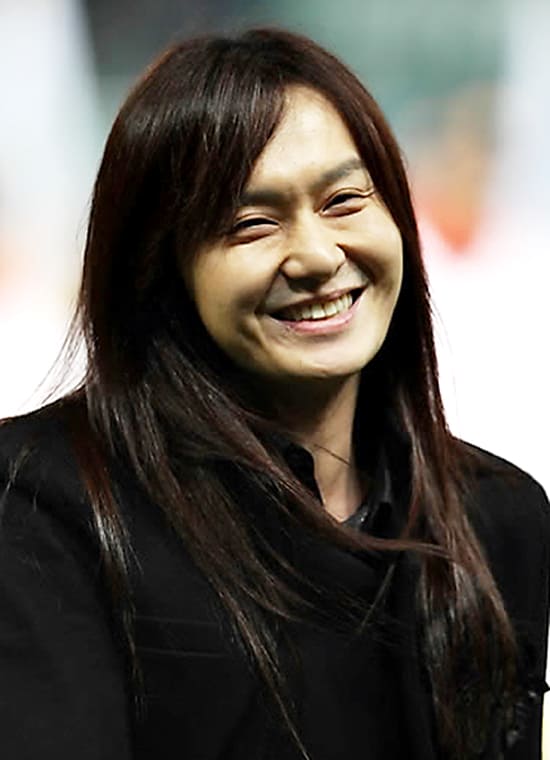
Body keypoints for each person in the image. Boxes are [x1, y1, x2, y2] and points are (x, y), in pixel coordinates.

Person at [0, 28, 548, 760]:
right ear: (158, 267)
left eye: (345, 200)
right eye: (252, 224)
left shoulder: (498, 518)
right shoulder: (44, 506)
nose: (317, 256)